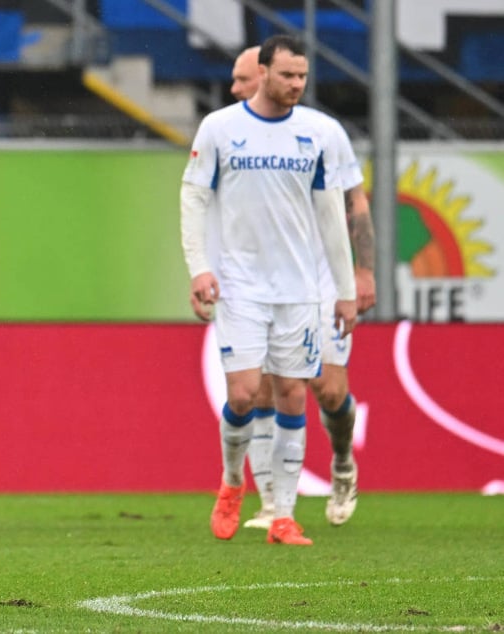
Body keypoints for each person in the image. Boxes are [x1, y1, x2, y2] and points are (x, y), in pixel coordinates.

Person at [180, 34, 358, 545]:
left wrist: (344, 290)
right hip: (240, 287)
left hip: (301, 291)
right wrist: (199, 268)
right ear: (262, 72)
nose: (297, 84)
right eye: (287, 75)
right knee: (241, 394)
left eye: (303, 76)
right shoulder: (221, 128)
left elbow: (331, 217)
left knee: (292, 394)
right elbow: (193, 197)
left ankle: (282, 513)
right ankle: (233, 480)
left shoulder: (316, 134)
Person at [227, 46, 377, 531]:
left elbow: (354, 202)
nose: (235, 88)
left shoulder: (322, 132)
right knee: (267, 388)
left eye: (241, 79)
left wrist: (362, 272)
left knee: (328, 390)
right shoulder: (228, 135)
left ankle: (342, 463)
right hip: (263, 287)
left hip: (320, 282)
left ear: (261, 77)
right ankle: (274, 503)